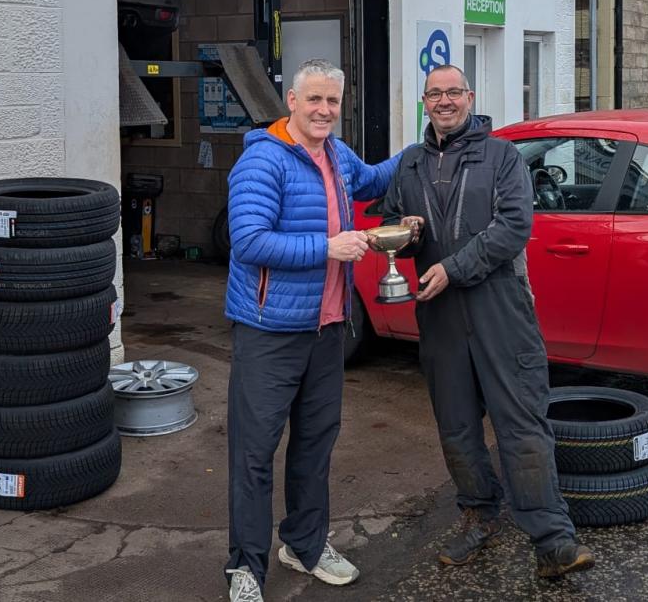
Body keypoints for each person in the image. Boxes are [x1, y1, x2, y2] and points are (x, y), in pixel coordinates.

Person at [376, 64, 595, 578]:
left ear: (469, 97)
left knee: (522, 424)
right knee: (456, 427)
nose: (445, 101)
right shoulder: (408, 164)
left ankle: (553, 541)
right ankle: (479, 516)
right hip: (441, 315)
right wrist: (402, 230)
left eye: (454, 92)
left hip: (500, 307)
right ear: (424, 102)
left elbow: (515, 226)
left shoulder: (501, 156)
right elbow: (387, 222)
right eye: (435, 94)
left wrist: (453, 269)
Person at [222, 58, 400, 602]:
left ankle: (304, 544)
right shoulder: (263, 163)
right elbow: (248, 242)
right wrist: (329, 248)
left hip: (328, 329)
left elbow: (372, 180)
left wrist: (429, 144)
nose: (324, 110)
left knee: (315, 446)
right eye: (314, 100)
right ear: (292, 103)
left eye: (333, 102)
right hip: (269, 331)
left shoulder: (338, 155)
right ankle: (246, 568)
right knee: (254, 454)